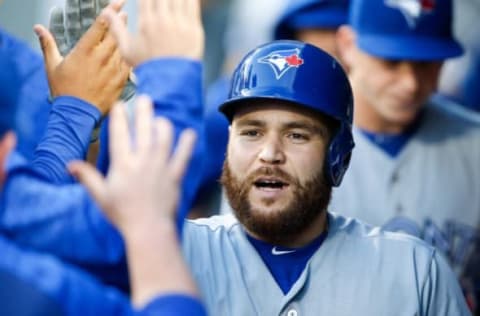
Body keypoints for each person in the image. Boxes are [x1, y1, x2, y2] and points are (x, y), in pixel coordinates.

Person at [333, 0, 480, 310]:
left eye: (426, 63)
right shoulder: (289, 148)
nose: (411, 83)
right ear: (348, 45)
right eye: (391, 60)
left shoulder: (474, 143)